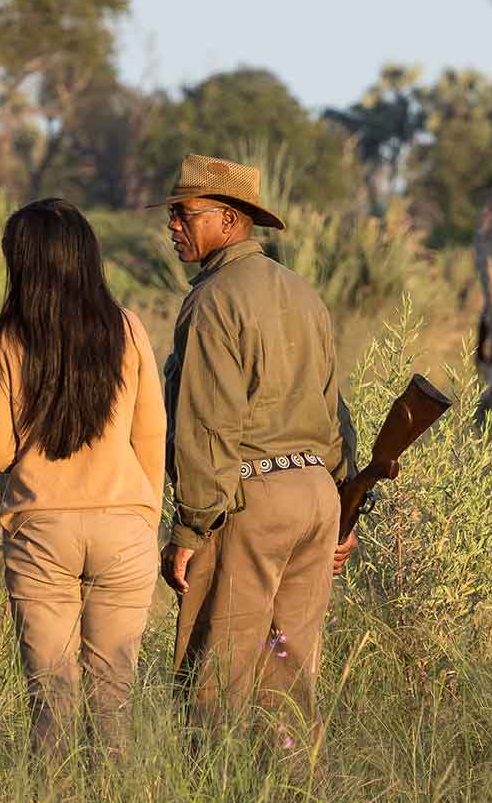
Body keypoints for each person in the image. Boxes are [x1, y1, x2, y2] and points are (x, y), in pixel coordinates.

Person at [155, 154, 358, 743]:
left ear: (228, 218)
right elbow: (334, 415)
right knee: (289, 677)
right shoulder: (304, 294)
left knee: (213, 679)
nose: (172, 225)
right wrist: (343, 513)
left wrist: (190, 530)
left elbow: (207, 428)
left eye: (182, 213)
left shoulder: (212, 301)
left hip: (250, 501)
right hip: (317, 498)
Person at [0, 199, 166, 755]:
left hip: (42, 531)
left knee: (50, 704)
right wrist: (145, 513)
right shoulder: (126, 328)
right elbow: (151, 434)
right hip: (126, 529)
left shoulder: (2, 339)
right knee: (114, 702)